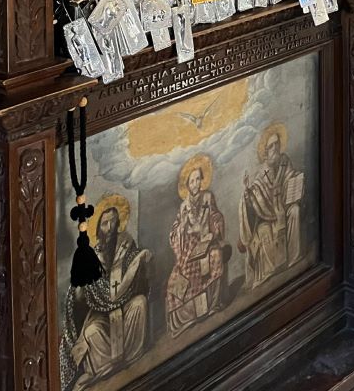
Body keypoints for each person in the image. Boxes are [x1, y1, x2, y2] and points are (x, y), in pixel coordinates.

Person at [59, 200, 151, 390]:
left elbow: (135, 272)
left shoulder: (125, 245)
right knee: (92, 332)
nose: (109, 228)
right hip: (101, 314)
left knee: (140, 303)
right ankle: (104, 368)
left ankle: (132, 355)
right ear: (98, 228)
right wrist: (81, 289)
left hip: (124, 304)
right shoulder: (91, 256)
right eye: (104, 223)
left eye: (113, 222)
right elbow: (85, 299)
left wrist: (140, 260)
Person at [166, 156, 228, 335]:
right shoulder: (183, 206)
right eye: (192, 181)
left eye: (198, 179)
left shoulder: (208, 197)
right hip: (189, 249)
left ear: (202, 180)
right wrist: (183, 227)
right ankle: (189, 316)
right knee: (178, 276)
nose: (195, 184)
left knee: (215, 257)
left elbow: (216, 216)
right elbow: (175, 231)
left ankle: (213, 305)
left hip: (208, 242)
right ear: (187, 184)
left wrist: (215, 226)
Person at [238, 127, 304, 290]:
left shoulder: (284, 161)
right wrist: (247, 192)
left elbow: (290, 177)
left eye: (277, 144)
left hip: (284, 208)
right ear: (265, 151)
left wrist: (296, 181)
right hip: (266, 217)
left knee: (295, 210)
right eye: (271, 146)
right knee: (264, 231)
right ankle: (268, 273)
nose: (275, 148)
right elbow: (254, 199)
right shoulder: (260, 174)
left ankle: (294, 258)